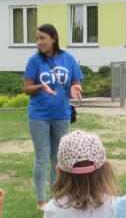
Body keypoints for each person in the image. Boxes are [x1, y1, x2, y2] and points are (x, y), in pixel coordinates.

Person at [23, 24, 83, 208]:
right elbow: (27, 88)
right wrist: (41, 87)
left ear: (54, 38)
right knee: (41, 158)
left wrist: (75, 88)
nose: (39, 42)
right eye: (37, 39)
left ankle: (56, 197)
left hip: (62, 115)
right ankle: (41, 201)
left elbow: (76, 83)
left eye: (42, 38)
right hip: (39, 116)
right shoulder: (34, 61)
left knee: (58, 158)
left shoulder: (69, 59)